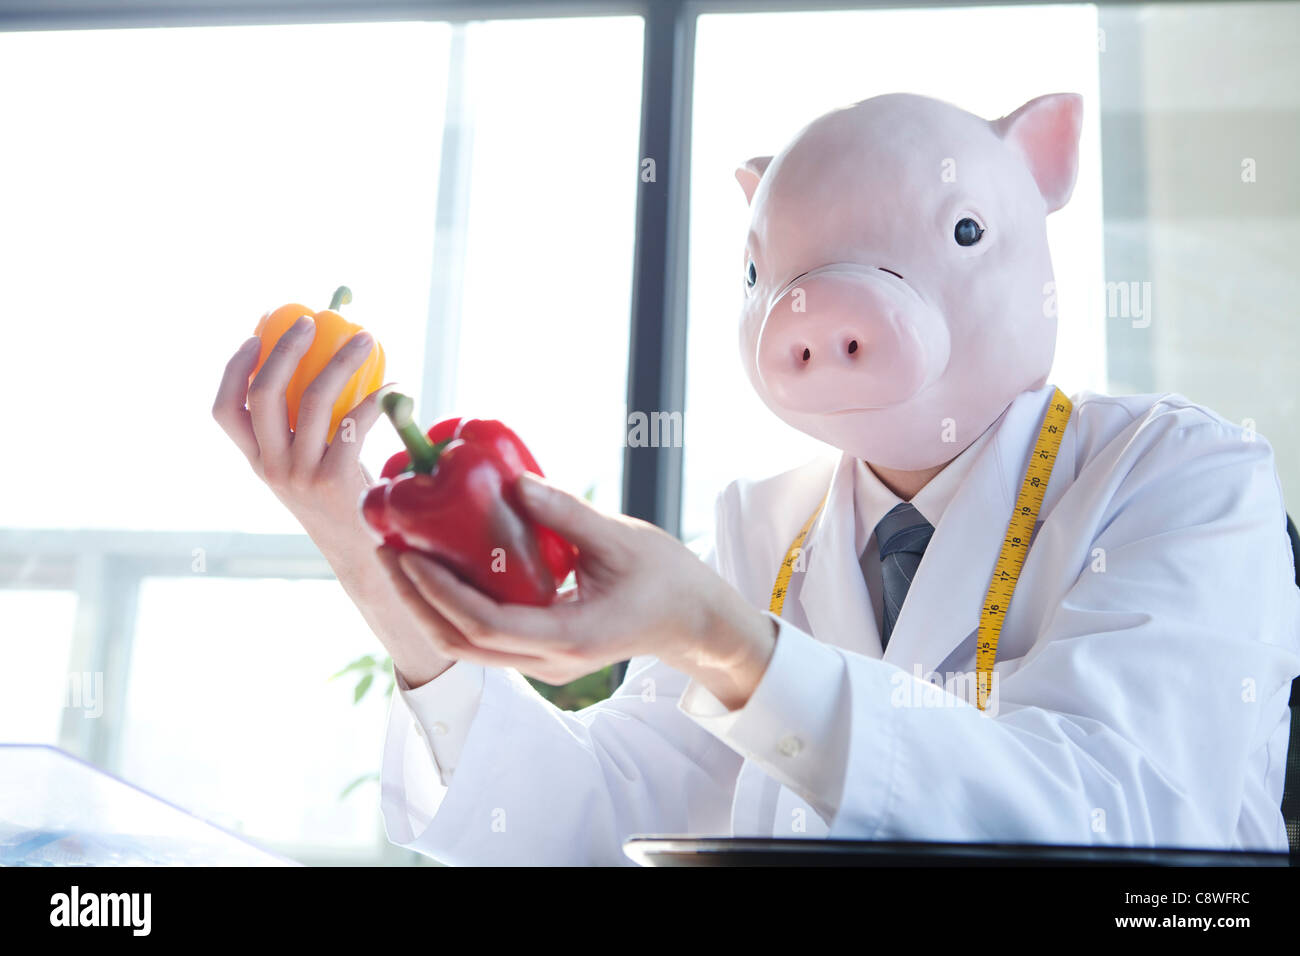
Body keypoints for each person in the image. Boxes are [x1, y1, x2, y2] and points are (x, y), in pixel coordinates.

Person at [214, 92, 1300, 865]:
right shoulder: (760, 523)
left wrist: (731, 642)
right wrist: (355, 534)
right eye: (766, 271)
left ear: (1039, 181)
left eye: (958, 235)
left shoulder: (1183, 477)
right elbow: (585, 824)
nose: (824, 321)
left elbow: (1129, 824)